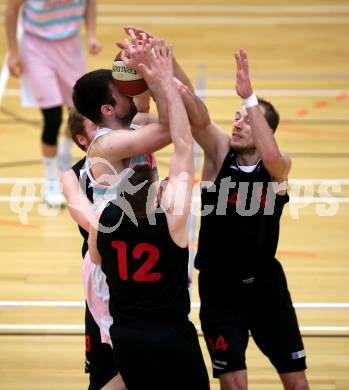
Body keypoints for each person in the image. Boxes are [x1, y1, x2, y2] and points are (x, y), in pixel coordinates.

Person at [88, 38, 210, 390]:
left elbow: (96, 257)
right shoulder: (169, 222)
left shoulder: (105, 222)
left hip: (126, 325)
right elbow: (184, 143)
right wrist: (161, 76)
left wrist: (150, 78)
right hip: (167, 328)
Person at [186, 49, 309, 389]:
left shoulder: (278, 167)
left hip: (266, 288)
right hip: (219, 289)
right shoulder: (219, 155)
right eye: (236, 117)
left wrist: (248, 96)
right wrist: (164, 70)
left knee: (297, 383)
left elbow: (271, 155)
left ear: (266, 130)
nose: (237, 123)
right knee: (235, 384)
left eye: (246, 118)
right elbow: (196, 115)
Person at [5, 0, 102, 207]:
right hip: (36, 48)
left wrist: (91, 33)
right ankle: (50, 182)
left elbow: (91, 2)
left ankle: (64, 156)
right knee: (52, 117)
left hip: (70, 47)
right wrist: (14, 53)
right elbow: (11, 11)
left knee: (79, 112)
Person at [61, 109, 124, 390]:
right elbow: (95, 224)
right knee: (103, 374)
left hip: (134, 280)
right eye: (94, 125)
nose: (104, 130)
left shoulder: (126, 158)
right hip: (102, 281)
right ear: (82, 139)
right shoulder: (75, 176)